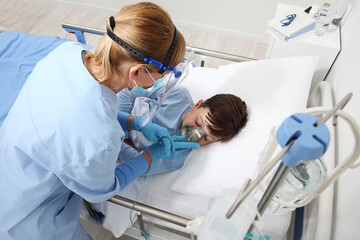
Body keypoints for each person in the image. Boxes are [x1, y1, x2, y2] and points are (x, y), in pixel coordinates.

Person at [0, 2, 199, 240]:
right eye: (162, 76)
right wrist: (150, 156)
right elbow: (102, 189)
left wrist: (135, 122)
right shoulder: (100, 138)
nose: (161, 82)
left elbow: (76, 108)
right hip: (27, 221)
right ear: (137, 72)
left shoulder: (66, 54)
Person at [117, 84, 248, 175]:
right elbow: (130, 91)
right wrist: (123, 125)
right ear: (196, 105)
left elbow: (140, 166)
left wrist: (118, 139)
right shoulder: (178, 94)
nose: (195, 133)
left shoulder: (178, 155)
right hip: (112, 112)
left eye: (206, 137)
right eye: (198, 122)